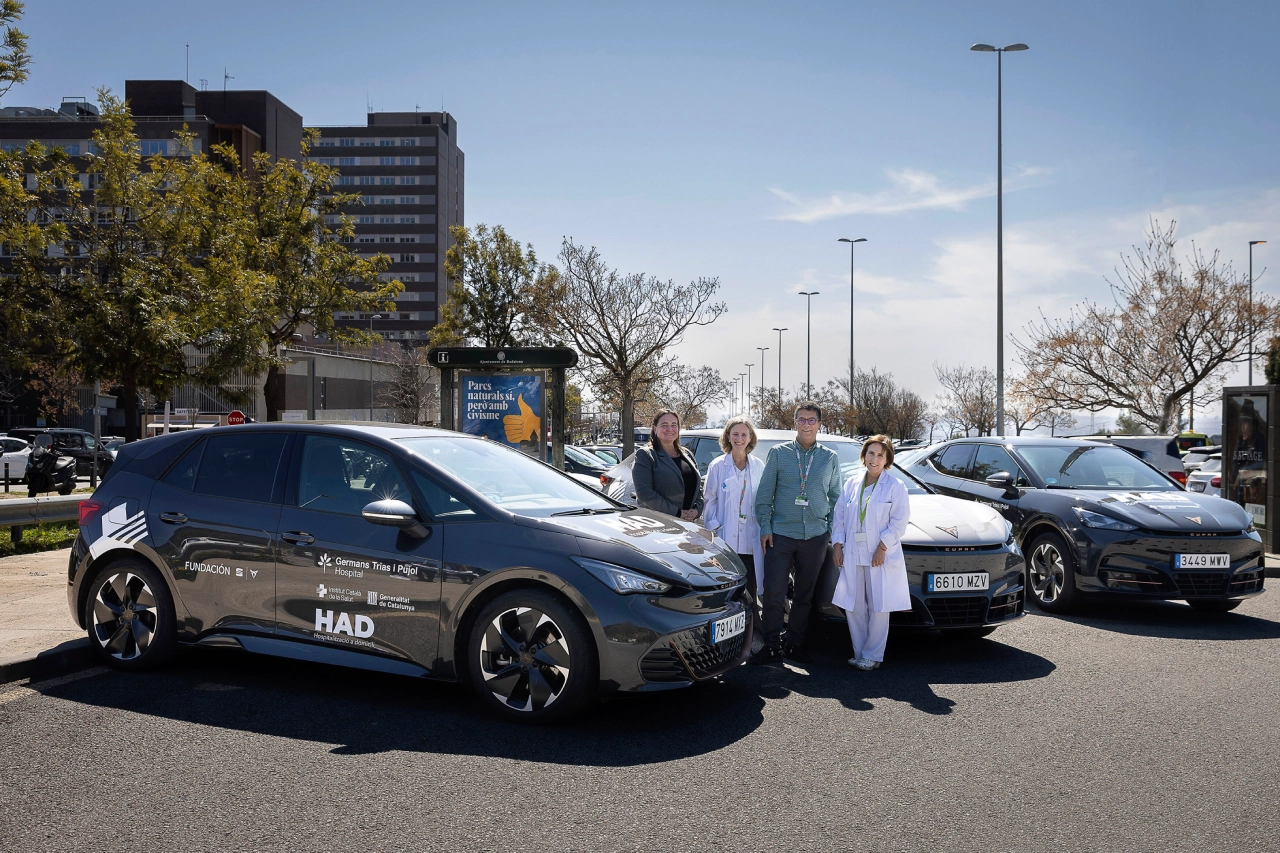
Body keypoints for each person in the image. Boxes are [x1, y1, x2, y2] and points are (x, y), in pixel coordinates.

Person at [751, 402, 843, 665]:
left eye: (811, 420)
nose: (806, 424)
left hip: (814, 536)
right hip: (780, 534)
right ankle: (770, 645)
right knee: (774, 592)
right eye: (801, 420)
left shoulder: (829, 458)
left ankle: (794, 644)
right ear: (794, 423)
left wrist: (828, 530)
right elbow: (764, 494)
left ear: (819, 424)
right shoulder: (779, 454)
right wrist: (766, 527)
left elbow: (836, 497)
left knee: (804, 594)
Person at [832, 434, 911, 671]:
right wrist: (837, 544)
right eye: (870, 453)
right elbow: (839, 517)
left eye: (880, 455)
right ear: (864, 455)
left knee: (879, 605)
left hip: (880, 555)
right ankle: (859, 653)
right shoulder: (851, 484)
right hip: (854, 552)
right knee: (854, 604)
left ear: (887, 460)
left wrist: (883, 547)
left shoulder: (895, 487)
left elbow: (900, 522)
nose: (874, 459)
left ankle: (873, 655)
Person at [702, 416, 766, 607]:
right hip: (725, 536)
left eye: (744, 434)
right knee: (728, 587)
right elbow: (709, 499)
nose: (739, 438)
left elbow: (764, 501)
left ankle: (751, 629)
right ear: (728, 437)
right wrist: (715, 526)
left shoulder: (758, 466)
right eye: (735, 434)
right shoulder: (718, 466)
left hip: (751, 536)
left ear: (750, 437)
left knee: (751, 587)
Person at [633, 410, 703, 521]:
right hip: (658, 524)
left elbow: (698, 488)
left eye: (674, 425)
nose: (670, 429)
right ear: (655, 429)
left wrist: (697, 509)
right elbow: (644, 493)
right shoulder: (646, 455)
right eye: (664, 425)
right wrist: (676, 513)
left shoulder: (687, 454)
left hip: (688, 524)